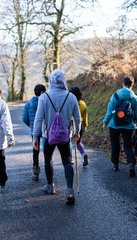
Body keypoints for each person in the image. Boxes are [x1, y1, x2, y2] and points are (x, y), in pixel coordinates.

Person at [33, 69, 81, 205]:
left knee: (48, 160)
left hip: (48, 136)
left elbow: (38, 118)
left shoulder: (44, 97)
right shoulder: (71, 97)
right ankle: (70, 190)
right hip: (65, 136)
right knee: (67, 161)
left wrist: (35, 137)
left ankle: (50, 186)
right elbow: (77, 118)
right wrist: (77, 132)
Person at [102, 76, 137, 177]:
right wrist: (136, 121)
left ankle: (115, 164)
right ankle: (131, 164)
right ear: (132, 85)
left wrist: (105, 122)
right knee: (128, 145)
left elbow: (110, 111)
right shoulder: (134, 98)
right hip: (128, 125)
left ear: (122, 84)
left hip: (114, 124)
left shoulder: (114, 96)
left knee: (115, 145)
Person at [22, 84, 46, 181]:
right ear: (42, 92)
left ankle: (35, 173)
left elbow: (24, 118)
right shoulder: (45, 103)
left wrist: (32, 126)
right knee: (47, 151)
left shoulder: (28, 104)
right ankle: (49, 169)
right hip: (45, 130)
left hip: (34, 131)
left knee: (35, 151)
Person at [70, 86, 89, 167]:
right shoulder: (83, 104)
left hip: (70, 123)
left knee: (69, 141)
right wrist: (85, 125)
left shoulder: (69, 103)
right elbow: (85, 116)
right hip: (80, 124)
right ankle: (83, 153)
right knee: (78, 141)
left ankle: (70, 158)